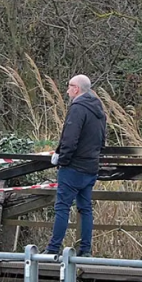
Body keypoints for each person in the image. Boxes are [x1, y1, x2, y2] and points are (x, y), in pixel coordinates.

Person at [45, 74, 107, 257]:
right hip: (91, 167)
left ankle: (53, 249)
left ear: (77, 89)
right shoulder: (99, 110)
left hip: (73, 167)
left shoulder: (78, 108)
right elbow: (102, 140)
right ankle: (85, 250)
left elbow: (70, 139)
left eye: (69, 86)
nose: (67, 90)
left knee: (62, 207)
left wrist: (62, 159)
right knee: (85, 208)